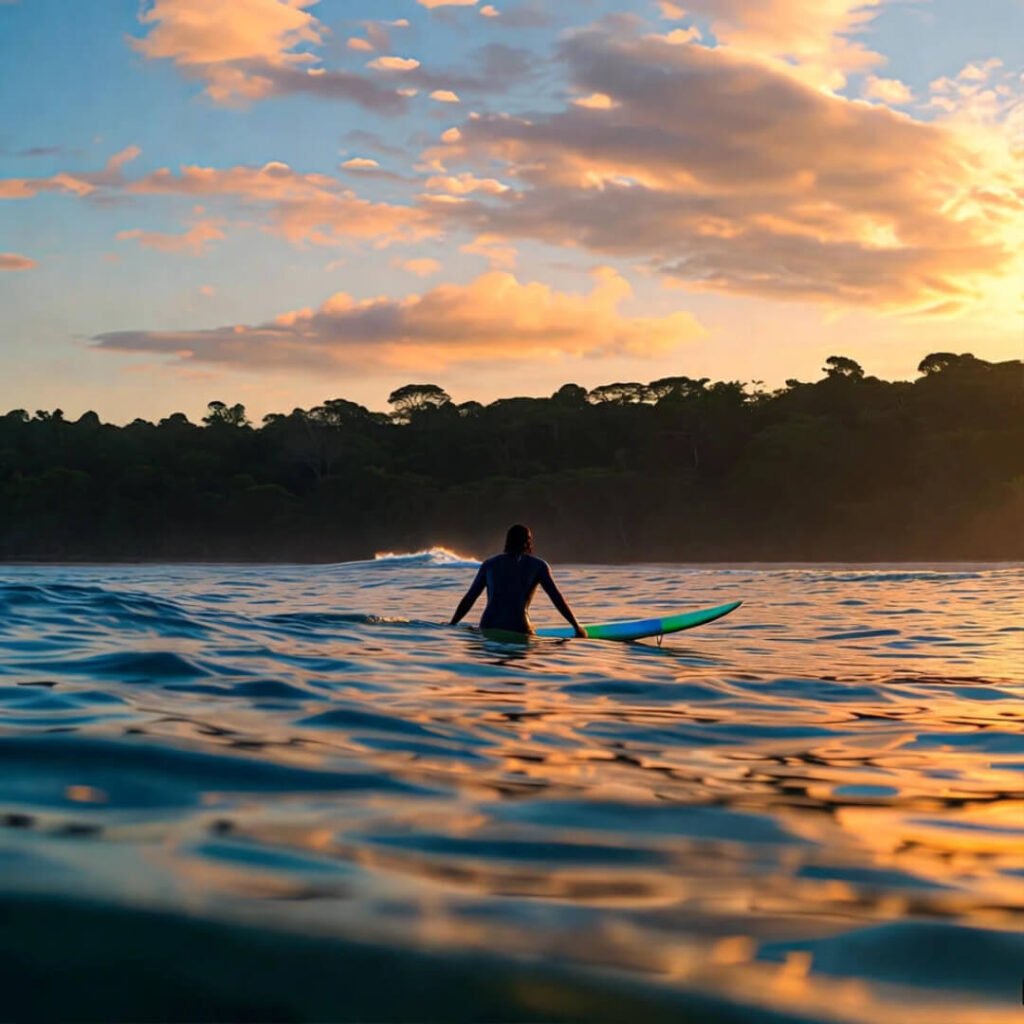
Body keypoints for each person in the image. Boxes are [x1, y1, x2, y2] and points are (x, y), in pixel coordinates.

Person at [450, 524, 587, 637]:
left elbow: (470, 597)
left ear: (507, 541)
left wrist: (453, 623)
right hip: (518, 628)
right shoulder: (538, 565)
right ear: (528, 541)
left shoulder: (489, 564)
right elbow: (556, 597)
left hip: (488, 626)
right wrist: (576, 626)